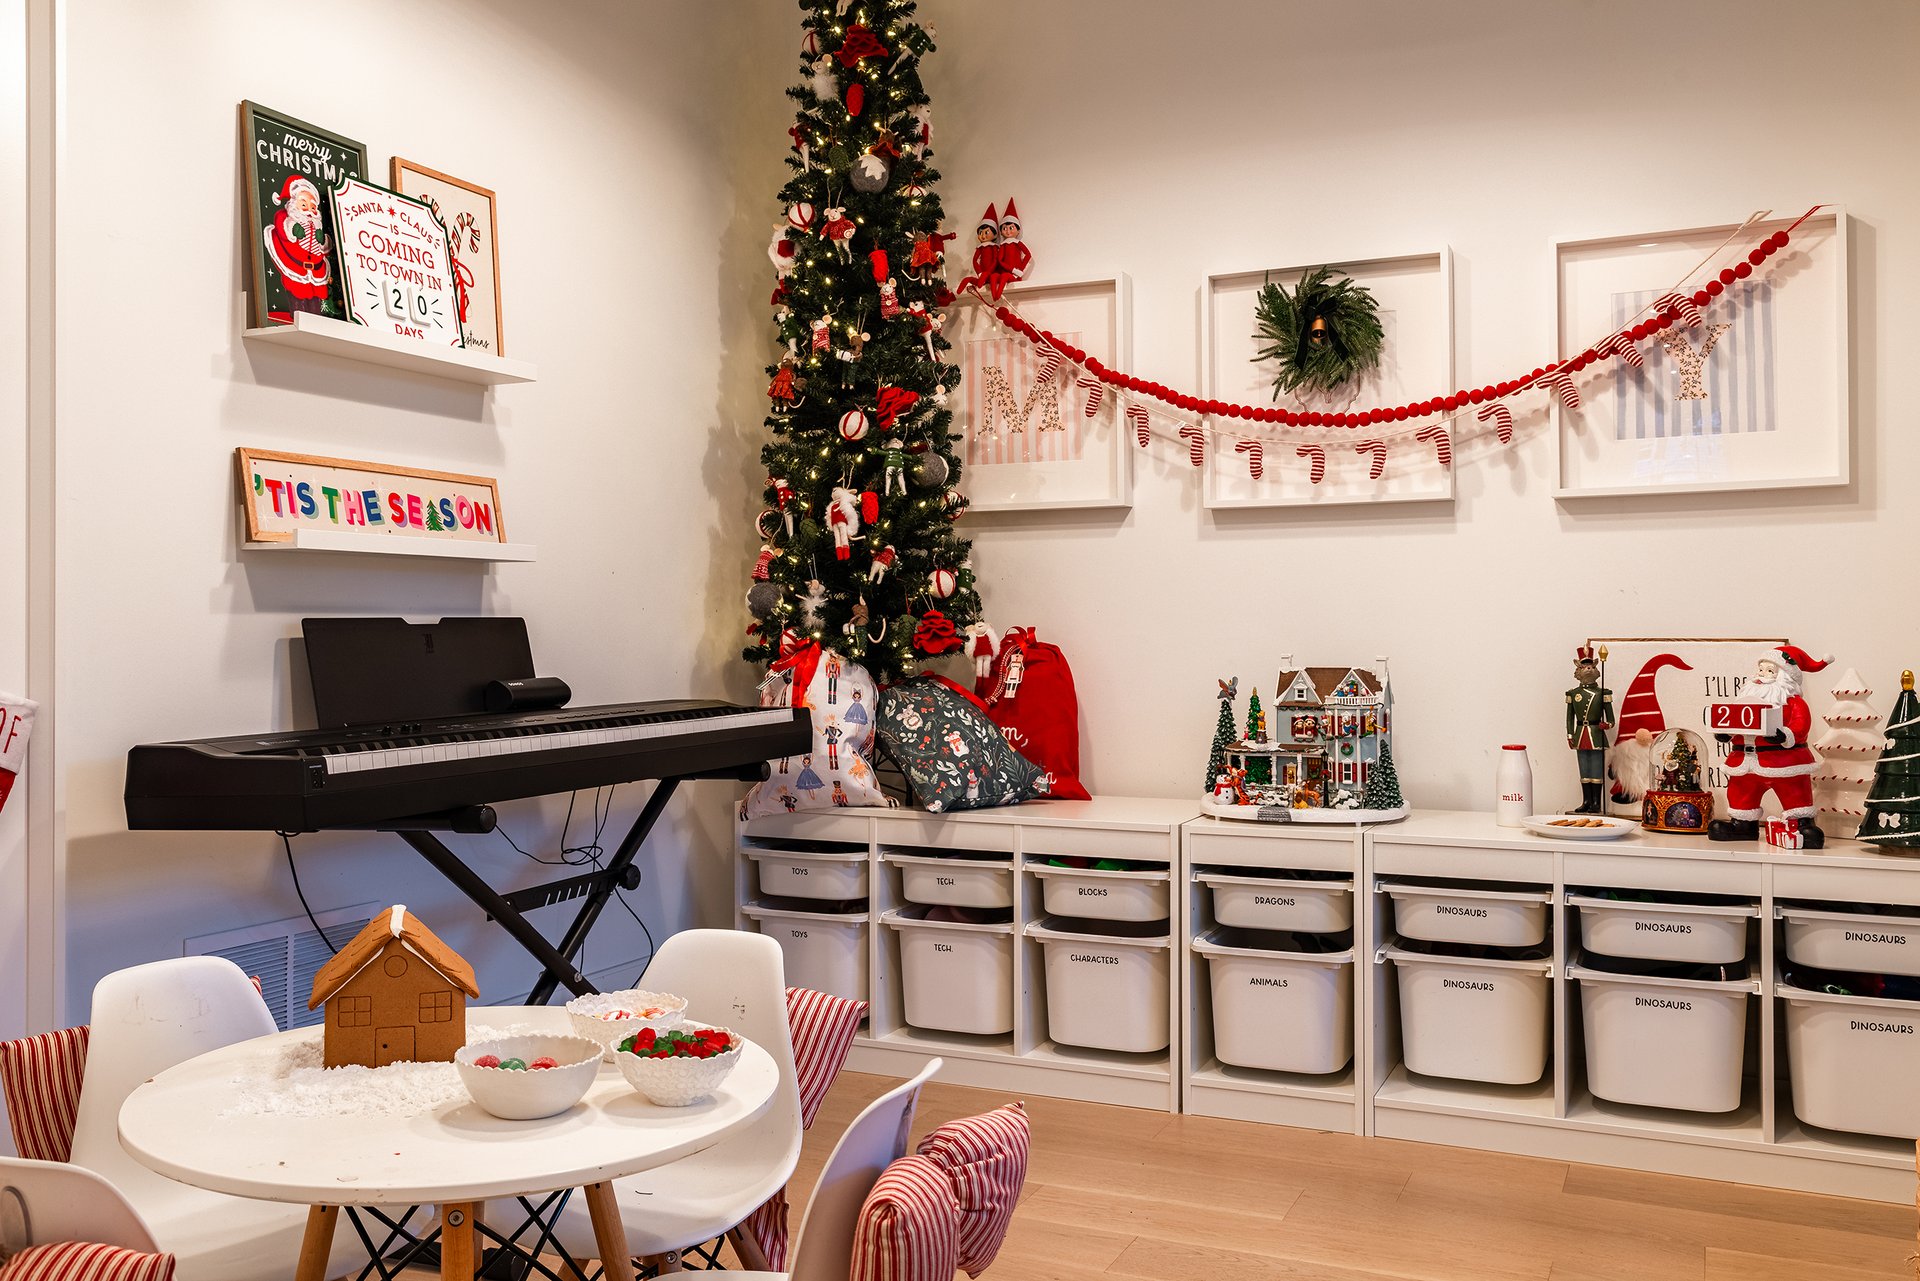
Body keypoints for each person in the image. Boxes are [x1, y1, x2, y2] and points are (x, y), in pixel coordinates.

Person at [1710, 645, 1830, 848]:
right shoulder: (1743, 701)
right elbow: (1736, 721)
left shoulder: (1793, 703)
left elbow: (1801, 725)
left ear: (1784, 676)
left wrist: (1785, 735)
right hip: (1746, 762)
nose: (1762, 675)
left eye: (1770, 671)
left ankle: (1801, 824)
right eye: (1760, 669)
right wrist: (1726, 732)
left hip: (1784, 762)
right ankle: (1743, 824)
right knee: (1741, 792)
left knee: (1795, 791)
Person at [1565, 646, 1615, 814]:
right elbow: (1569, 717)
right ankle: (1586, 801)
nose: (1589, 669)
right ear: (1578, 669)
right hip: (1580, 735)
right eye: (1585, 666)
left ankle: (1596, 804)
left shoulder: (1603, 693)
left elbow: (1611, 719)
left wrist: (1606, 725)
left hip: (1595, 734)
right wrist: (1570, 734)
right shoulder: (1573, 694)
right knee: (1584, 770)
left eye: (1592, 666)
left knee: (1595, 770)